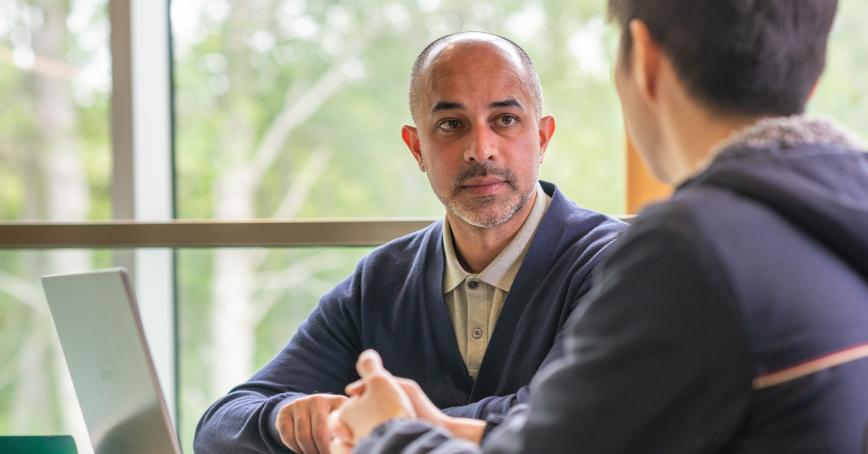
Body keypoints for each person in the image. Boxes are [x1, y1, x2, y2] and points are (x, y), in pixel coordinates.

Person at [328, 0, 868, 452]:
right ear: (813, 73)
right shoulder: (827, 220)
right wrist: (445, 429)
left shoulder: (691, 251)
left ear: (645, 61)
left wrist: (387, 432)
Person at [193, 32, 626, 454]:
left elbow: (568, 422)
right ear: (416, 147)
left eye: (505, 120)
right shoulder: (380, 281)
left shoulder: (617, 263)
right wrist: (287, 418)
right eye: (451, 124)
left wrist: (380, 425)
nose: (481, 148)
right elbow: (219, 427)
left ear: (543, 137)